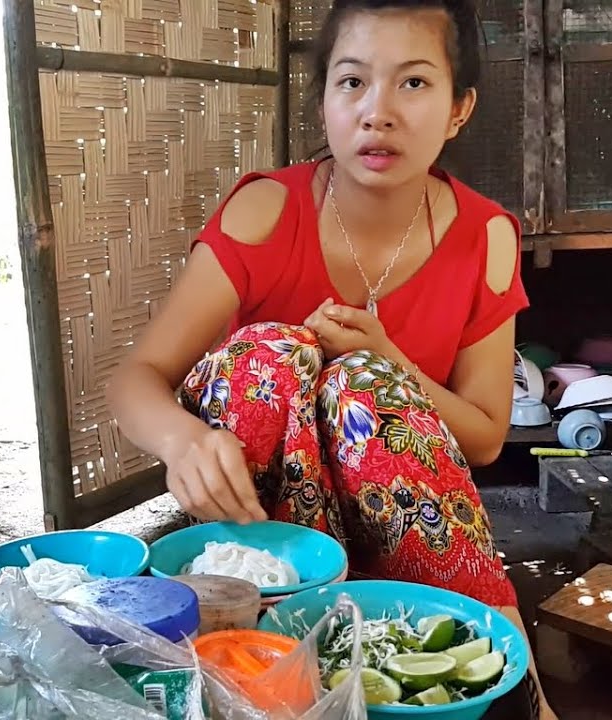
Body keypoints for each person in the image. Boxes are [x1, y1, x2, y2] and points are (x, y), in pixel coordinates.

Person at [108, 0, 557, 716]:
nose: (376, 112)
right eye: (351, 82)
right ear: (324, 98)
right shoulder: (264, 211)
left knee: (362, 382)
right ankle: (272, 650)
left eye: (412, 83)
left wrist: (391, 363)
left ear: (459, 108)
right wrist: (183, 440)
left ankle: (505, 685)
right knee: (274, 352)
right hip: (264, 539)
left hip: (399, 525)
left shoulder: (486, 237)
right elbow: (136, 377)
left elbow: (486, 435)